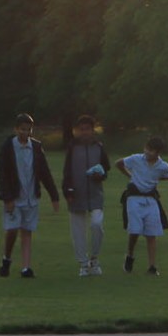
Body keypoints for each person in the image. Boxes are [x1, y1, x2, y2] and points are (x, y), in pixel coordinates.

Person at [0, 113, 59, 279]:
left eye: (28, 129)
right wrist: (7, 198)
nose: (25, 132)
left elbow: (45, 172)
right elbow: (2, 174)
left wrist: (54, 196)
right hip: (14, 197)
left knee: (27, 231)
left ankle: (26, 267)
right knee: (12, 229)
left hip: (31, 196)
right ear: (16, 129)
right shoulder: (8, 147)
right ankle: (7, 258)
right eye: (22, 129)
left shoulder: (36, 147)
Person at [61, 114, 113, 277]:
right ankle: (83, 263)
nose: (84, 132)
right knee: (78, 231)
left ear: (93, 130)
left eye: (87, 129)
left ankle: (94, 258)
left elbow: (106, 168)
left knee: (97, 225)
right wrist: (68, 190)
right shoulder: (72, 147)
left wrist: (100, 175)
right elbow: (67, 171)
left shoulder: (98, 147)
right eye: (81, 129)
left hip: (95, 194)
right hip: (76, 193)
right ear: (77, 131)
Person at [118, 137, 168, 275]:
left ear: (158, 152)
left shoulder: (162, 165)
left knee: (151, 233)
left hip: (150, 199)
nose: (147, 152)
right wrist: (130, 175)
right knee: (135, 230)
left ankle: (152, 266)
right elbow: (119, 163)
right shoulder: (136, 159)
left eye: (151, 150)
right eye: (147, 148)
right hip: (134, 198)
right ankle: (130, 255)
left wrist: (158, 178)